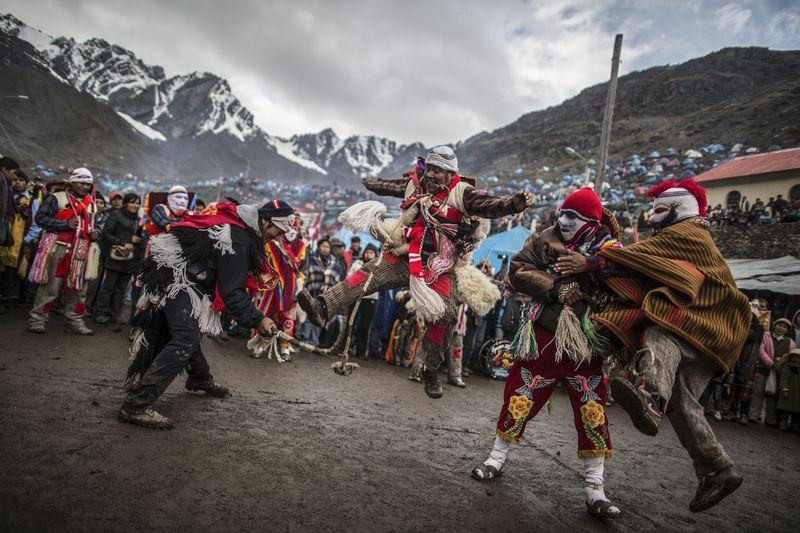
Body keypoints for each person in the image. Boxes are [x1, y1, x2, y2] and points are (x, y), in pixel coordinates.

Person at [560, 178, 751, 513]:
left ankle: (648, 395)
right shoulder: (684, 237)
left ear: (679, 209)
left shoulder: (686, 234)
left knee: (661, 330)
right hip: (717, 336)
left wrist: (590, 264)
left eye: (660, 210)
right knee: (682, 402)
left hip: (706, 323)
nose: (652, 217)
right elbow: (648, 266)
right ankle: (718, 469)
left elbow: (637, 258)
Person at [298, 146, 532, 398]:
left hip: (440, 266)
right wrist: (372, 184)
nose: (430, 175)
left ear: (450, 173)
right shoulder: (415, 185)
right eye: (429, 169)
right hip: (404, 253)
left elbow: (489, 206)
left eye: (438, 171)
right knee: (366, 274)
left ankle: (431, 369)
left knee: (446, 316)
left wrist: (512, 205)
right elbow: (391, 187)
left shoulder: (462, 193)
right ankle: (322, 308)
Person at [472, 187, 622, 519]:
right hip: (543, 335)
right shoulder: (545, 238)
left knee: (591, 407)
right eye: (563, 214)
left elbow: (625, 273)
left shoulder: (609, 247)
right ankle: (496, 458)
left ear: (591, 221)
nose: (564, 220)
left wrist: (589, 266)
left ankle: (595, 489)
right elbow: (518, 270)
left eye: (574, 216)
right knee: (519, 394)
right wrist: (555, 287)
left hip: (586, 341)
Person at [119, 200, 293, 429]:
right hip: (178, 281)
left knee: (187, 333)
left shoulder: (240, 229)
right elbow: (232, 293)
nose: (279, 236)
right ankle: (136, 405)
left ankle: (200, 377)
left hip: (182, 277)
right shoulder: (238, 240)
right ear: (265, 221)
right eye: (278, 230)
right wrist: (258, 319)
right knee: (185, 338)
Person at [28, 168, 98, 335]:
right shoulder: (56, 198)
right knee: (51, 285)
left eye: (88, 184)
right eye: (81, 183)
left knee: (78, 287)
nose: (85, 187)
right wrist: (64, 224)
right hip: (58, 246)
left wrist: (97, 233)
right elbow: (40, 218)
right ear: (72, 182)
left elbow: (97, 224)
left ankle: (74, 320)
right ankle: (38, 319)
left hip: (81, 249)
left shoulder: (91, 202)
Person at [93, 193, 144, 325]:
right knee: (108, 287)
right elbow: (106, 234)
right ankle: (100, 312)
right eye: (132, 202)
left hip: (130, 260)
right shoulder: (116, 215)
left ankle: (114, 314)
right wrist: (122, 242)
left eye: (138, 203)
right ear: (125, 203)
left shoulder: (137, 220)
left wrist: (138, 240)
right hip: (115, 256)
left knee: (121, 289)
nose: (135, 205)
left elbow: (138, 239)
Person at [301, 237, 342, 346]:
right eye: (323, 246)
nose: (325, 249)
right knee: (309, 316)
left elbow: (336, 280)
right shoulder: (312, 260)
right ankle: (305, 339)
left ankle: (314, 341)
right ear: (319, 247)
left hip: (325, 296)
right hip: (312, 293)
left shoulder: (335, 264)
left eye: (327, 247)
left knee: (319, 318)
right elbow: (307, 275)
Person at [348, 243, 378, 360]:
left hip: (370, 298)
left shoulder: (378, 266)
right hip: (356, 297)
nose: (368, 255)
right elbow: (350, 277)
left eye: (371, 252)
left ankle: (361, 350)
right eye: (367, 252)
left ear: (375, 254)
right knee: (351, 323)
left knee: (365, 326)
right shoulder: (358, 264)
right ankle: (346, 347)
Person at [777, 348, 800, 432]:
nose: (795, 358)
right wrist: (784, 389)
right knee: (785, 410)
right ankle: (783, 423)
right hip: (788, 392)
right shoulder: (787, 367)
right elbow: (784, 379)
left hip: (797, 394)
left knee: (797, 412)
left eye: (797, 357)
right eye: (793, 356)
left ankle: (795, 425)